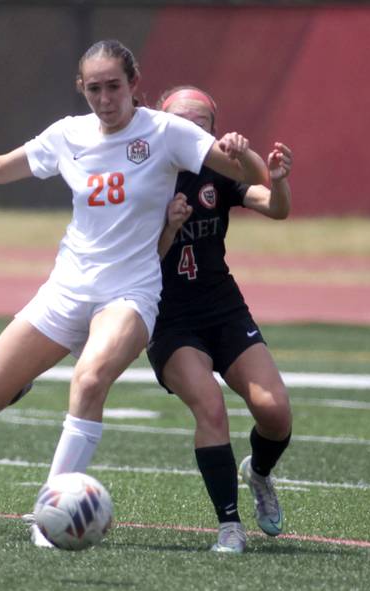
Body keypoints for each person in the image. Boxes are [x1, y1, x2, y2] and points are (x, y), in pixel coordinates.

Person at [0, 41, 270, 547]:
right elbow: (0, 167)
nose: (106, 99)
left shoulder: (165, 130)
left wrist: (251, 157)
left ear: (134, 83)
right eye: (95, 89)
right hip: (66, 291)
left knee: (89, 380)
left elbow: (246, 172)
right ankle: (13, 384)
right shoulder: (69, 134)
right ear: (81, 89)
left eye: (115, 86)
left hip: (130, 293)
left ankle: (52, 512)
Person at [147, 86, 293, 553]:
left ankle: (259, 473)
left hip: (222, 307)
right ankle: (229, 525)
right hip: (169, 316)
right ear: (160, 124)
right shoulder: (145, 176)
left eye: (201, 123)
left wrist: (271, 171)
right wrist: (169, 225)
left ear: (213, 129)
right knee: (210, 407)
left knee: (274, 412)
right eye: (181, 122)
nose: (192, 130)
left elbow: (276, 207)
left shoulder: (216, 169)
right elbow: (141, 263)